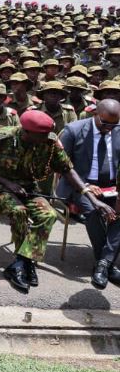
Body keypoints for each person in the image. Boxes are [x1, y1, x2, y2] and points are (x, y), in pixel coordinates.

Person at [0, 110, 95, 292]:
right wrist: (7, 183)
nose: (47, 137)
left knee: (48, 215)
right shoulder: (1, 138)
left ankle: (22, 262)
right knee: (19, 211)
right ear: (26, 132)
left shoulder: (49, 141)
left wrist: (87, 193)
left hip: (28, 187)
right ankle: (25, 264)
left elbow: (66, 169)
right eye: (42, 135)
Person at [55, 99, 120, 289]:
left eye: (114, 124)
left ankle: (103, 263)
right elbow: (61, 166)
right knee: (94, 211)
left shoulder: (117, 130)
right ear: (95, 114)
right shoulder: (73, 130)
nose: (109, 128)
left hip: (111, 186)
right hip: (78, 185)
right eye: (105, 123)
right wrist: (85, 186)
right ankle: (106, 264)